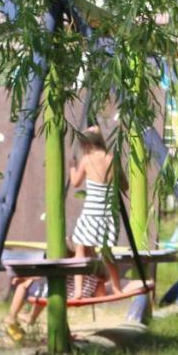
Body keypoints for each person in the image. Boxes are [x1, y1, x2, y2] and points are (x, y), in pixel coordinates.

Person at [70, 126, 125, 297]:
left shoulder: (87, 160)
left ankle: (78, 290)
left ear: (87, 144)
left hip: (91, 213)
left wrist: (72, 167)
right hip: (109, 214)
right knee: (107, 253)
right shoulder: (112, 158)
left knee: (80, 248)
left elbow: (75, 183)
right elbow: (125, 186)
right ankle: (116, 288)